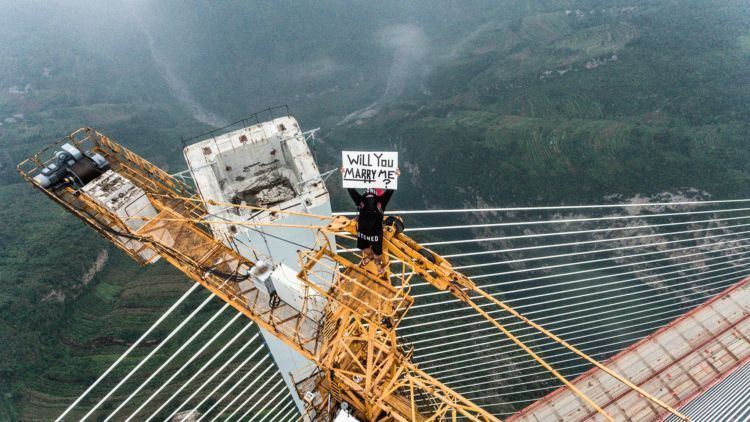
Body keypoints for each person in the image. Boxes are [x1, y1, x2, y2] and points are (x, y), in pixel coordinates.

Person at [342, 169, 399, 275]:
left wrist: (395, 176)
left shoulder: (379, 201)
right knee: (364, 247)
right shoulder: (364, 201)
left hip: (373, 231)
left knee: (377, 252)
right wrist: (345, 174)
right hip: (365, 230)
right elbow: (350, 189)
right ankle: (372, 256)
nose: (369, 193)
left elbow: (390, 190)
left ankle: (377, 263)